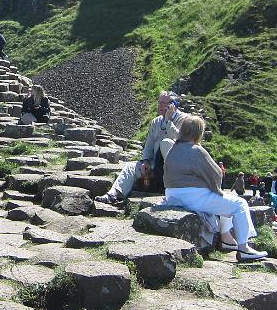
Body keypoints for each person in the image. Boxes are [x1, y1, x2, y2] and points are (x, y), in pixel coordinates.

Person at [162, 114, 267, 260]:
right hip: (192, 197)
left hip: (172, 195)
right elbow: (217, 174)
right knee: (239, 204)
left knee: (226, 201)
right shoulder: (196, 150)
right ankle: (244, 248)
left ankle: (226, 239)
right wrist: (215, 187)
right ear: (198, 133)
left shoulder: (173, 150)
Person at [95, 91, 187, 205]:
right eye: (159, 102)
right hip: (154, 164)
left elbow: (179, 139)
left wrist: (169, 120)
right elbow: (149, 145)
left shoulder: (184, 120)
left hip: (172, 167)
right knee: (130, 167)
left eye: (163, 103)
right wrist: (145, 161)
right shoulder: (156, 122)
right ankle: (113, 195)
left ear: (173, 105)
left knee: (166, 142)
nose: (159, 105)